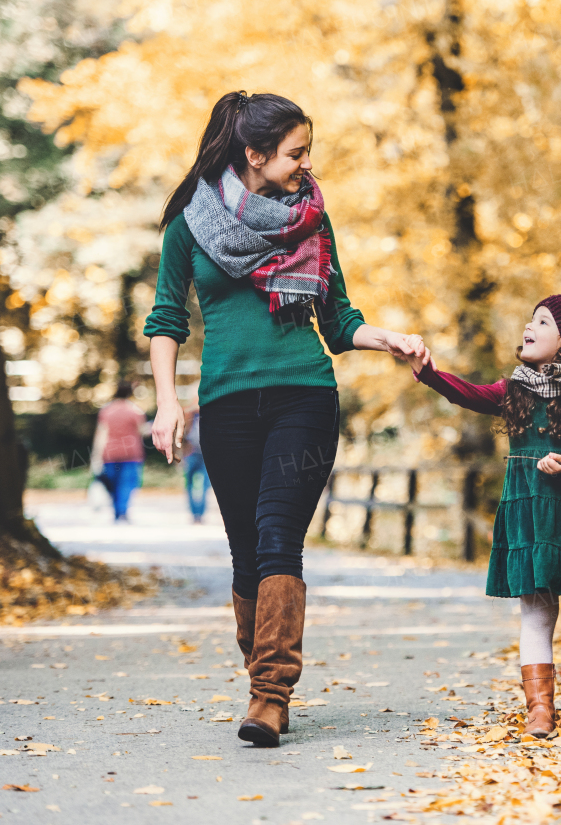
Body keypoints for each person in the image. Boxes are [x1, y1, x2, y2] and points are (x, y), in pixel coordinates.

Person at [144, 91, 429, 748]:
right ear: (254, 154)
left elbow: (339, 320)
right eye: (295, 152)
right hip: (225, 406)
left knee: (278, 537)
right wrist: (166, 400)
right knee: (246, 551)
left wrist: (388, 337)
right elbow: (166, 321)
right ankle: (260, 679)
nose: (305, 164)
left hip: (304, 396)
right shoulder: (190, 226)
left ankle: (270, 694)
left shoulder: (313, 221)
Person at [396, 295, 561, 738]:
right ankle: (540, 709)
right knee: (535, 607)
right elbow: (470, 394)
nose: (529, 327)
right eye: (531, 319)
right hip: (530, 510)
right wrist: (427, 372)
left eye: (543, 322)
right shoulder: (516, 389)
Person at [91, 380, 148, 523]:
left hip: (110, 454)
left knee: (113, 483)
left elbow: (101, 435)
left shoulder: (106, 410)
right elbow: (142, 431)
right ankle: (122, 511)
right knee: (127, 484)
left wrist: (95, 455)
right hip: (131, 453)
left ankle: (117, 511)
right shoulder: (135, 410)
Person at [182, 403, 209, 523]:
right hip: (192, 453)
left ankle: (199, 514)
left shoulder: (210, 412)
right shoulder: (188, 414)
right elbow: (182, 435)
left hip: (205, 454)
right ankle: (195, 513)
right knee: (190, 484)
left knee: (203, 485)